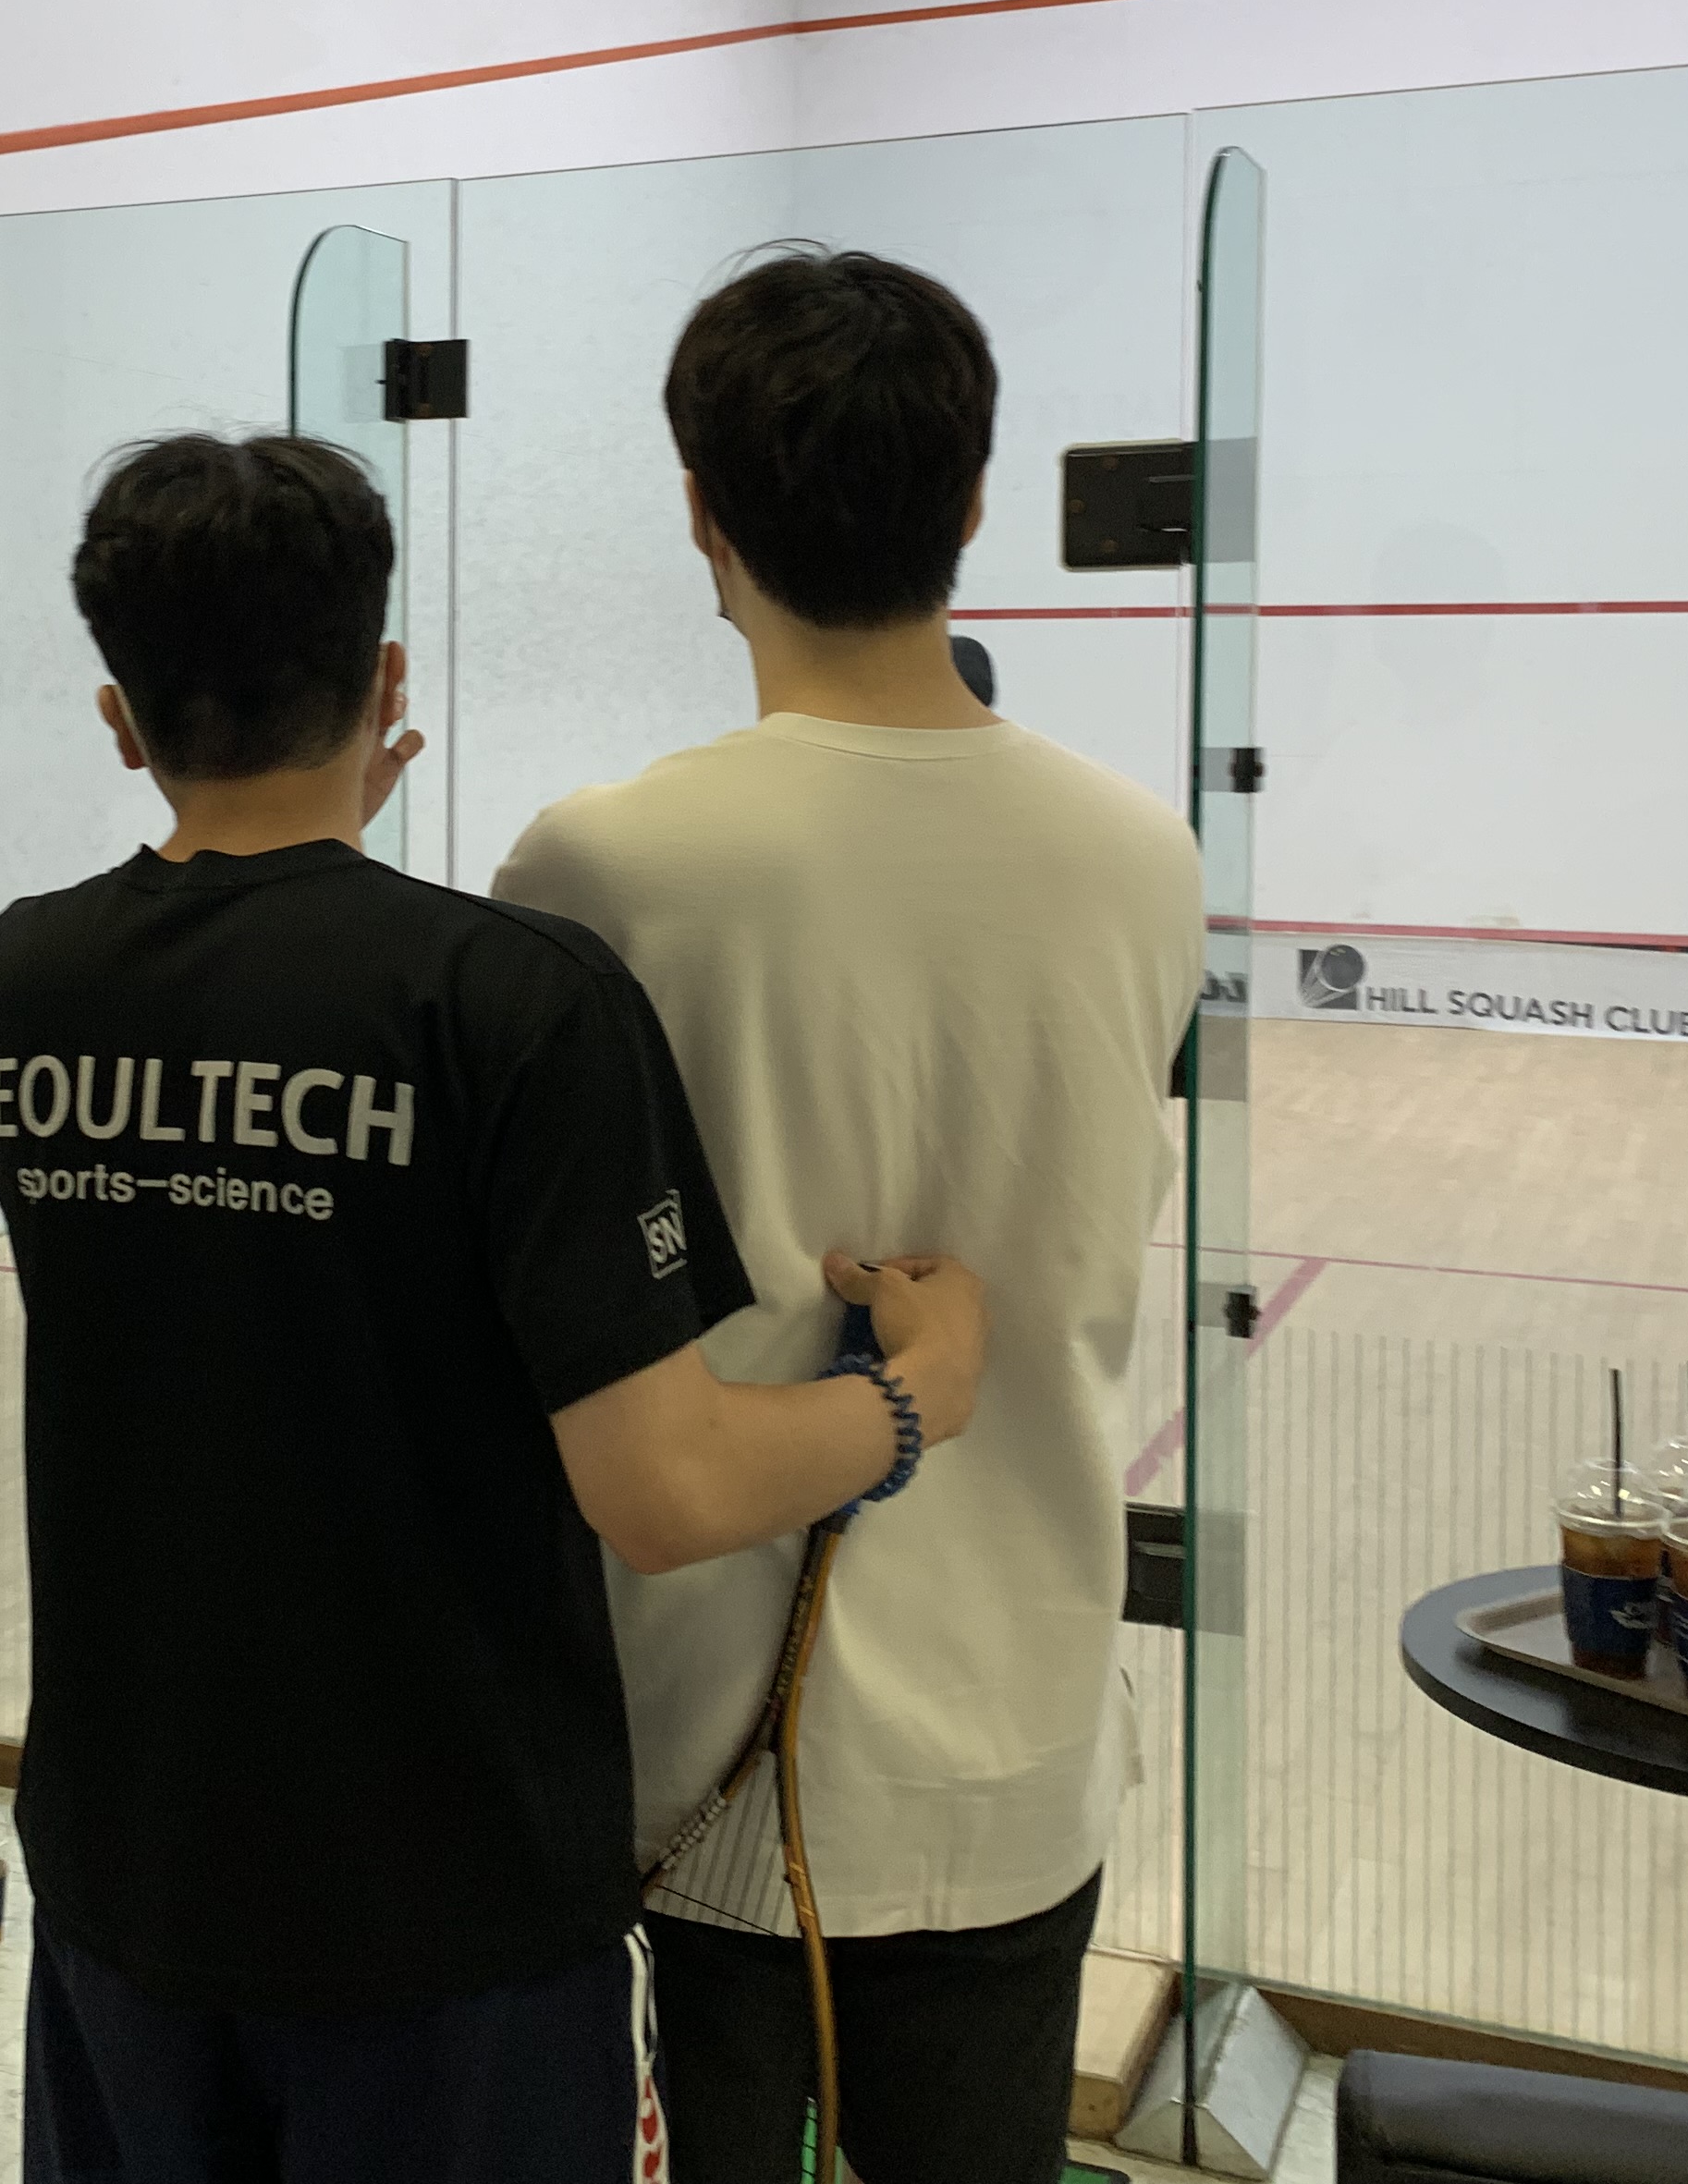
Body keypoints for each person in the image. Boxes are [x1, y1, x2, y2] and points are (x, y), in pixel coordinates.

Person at [0, 433, 989, 2184]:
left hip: (124, 1870)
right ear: (387, 685)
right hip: (443, 1915)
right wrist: (921, 1392)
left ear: (122, 720)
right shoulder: (511, 999)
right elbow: (665, 1485)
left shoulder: (22, 977)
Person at [494, 250, 1203, 2184]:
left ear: (700, 514)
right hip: (1020, 1756)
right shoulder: (1145, 858)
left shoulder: (597, 863)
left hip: (690, 1764)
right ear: (973, 503)